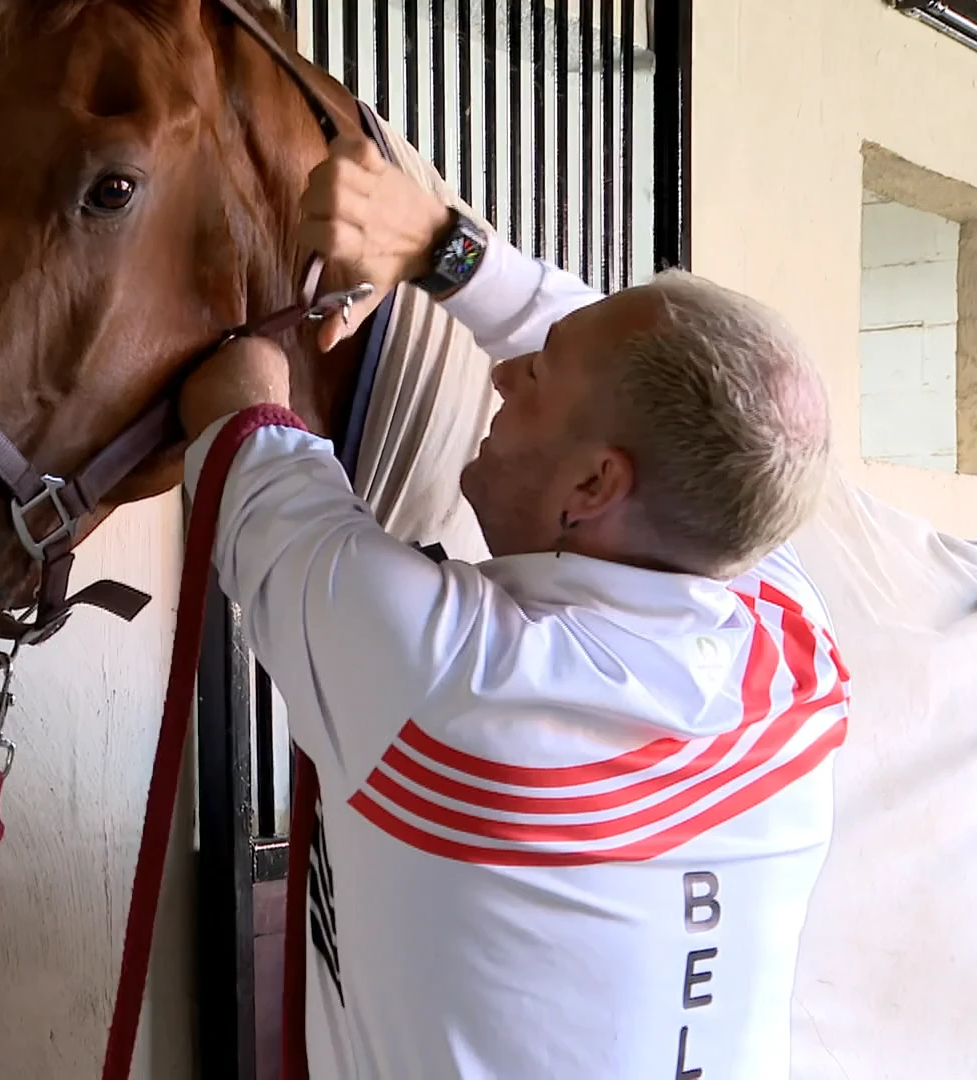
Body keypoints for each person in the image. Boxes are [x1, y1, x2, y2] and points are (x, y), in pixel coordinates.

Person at [177, 132, 847, 1079]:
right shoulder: (789, 644)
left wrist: (246, 340)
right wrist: (440, 247)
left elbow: (238, 415)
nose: (499, 372)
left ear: (593, 486)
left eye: (534, 377)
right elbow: (682, 401)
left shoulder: (455, 688)